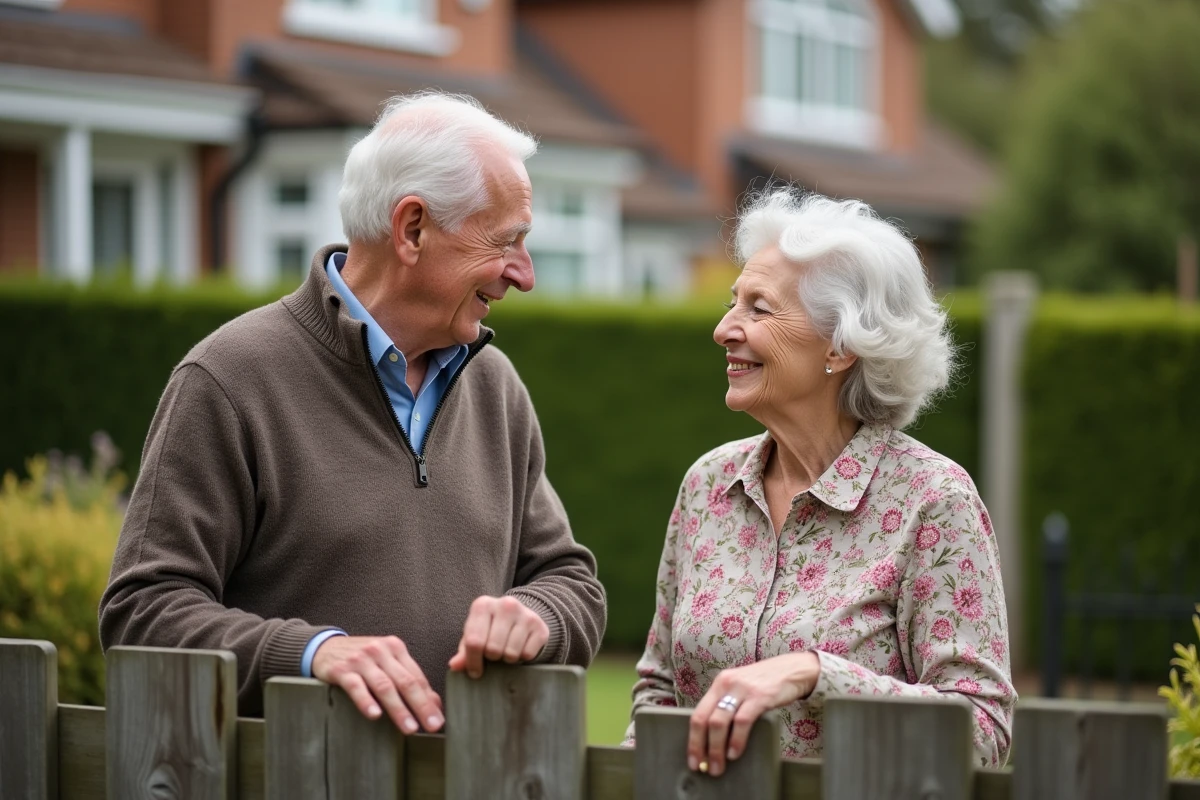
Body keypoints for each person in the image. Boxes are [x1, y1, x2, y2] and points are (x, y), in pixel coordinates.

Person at [99, 92, 606, 733]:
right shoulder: (229, 378)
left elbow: (569, 579)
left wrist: (539, 615)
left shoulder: (494, 387)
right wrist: (313, 654)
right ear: (412, 229)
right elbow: (142, 611)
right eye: (507, 241)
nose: (524, 274)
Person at [625, 188, 1015, 771]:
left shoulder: (933, 501)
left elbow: (983, 731)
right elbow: (657, 695)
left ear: (840, 346)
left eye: (759, 309)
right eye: (735, 304)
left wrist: (815, 673)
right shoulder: (708, 486)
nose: (724, 329)